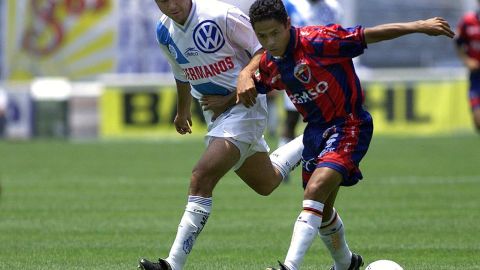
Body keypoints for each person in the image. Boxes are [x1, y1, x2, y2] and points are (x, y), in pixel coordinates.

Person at [240, 0, 455, 269]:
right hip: (315, 134)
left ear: (287, 24)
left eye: (274, 33)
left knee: (315, 191)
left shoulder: (320, 40)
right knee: (323, 209)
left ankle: (289, 266)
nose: (270, 42)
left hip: (349, 124)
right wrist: (240, 80)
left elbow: (369, 34)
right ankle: (347, 264)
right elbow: (255, 86)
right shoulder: (273, 63)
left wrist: (419, 26)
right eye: (262, 36)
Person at [138, 0, 304, 269]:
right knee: (267, 182)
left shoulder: (221, 15)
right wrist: (182, 111)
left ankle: (173, 263)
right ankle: (312, 140)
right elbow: (181, 73)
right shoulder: (164, 30)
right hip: (214, 114)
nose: (171, 5)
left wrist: (242, 80)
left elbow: (264, 49)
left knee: (201, 176)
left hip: (245, 107)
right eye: (162, 1)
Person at [278, 0, 343, 148]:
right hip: (297, 71)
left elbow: (338, 38)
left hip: (326, 73)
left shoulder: (333, 7)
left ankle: (329, 157)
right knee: (291, 119)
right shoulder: (289, 4)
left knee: (331, 119)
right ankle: (280, 165)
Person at [455, 1, 480, 133]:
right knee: (477, 122)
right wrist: (467, 60)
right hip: (476, 77)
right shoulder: (467, 21)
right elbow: (457, 44)